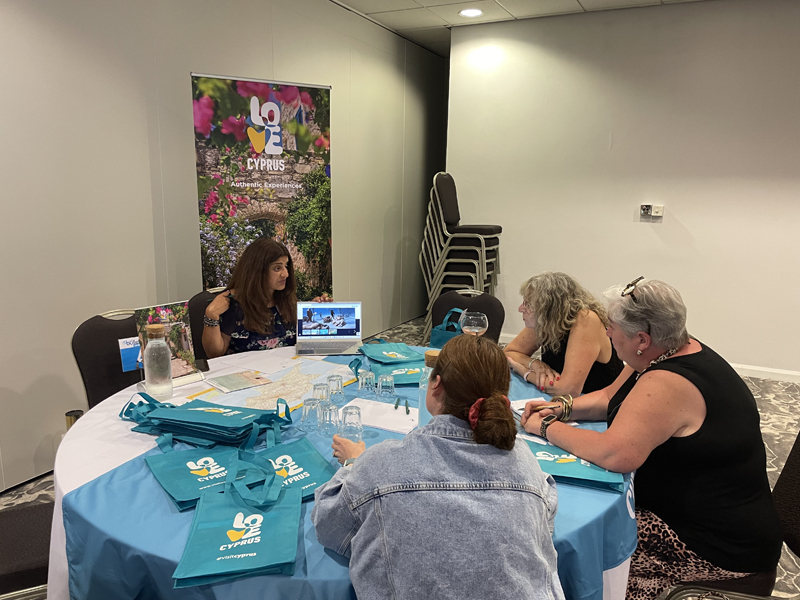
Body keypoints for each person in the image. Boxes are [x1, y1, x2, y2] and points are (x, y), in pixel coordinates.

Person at [521, 278, 783, 599]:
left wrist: (545, 427)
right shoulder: (668, 350)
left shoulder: (667, 381)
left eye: (612, 327)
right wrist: (561, 408)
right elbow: (609, 397)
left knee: (572, 548)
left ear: (642, 339)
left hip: (714, 544)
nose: (607, 332)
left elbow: (615, 454)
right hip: (709, 519)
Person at [312, 335, 565, 600]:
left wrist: (354, 463)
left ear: (436, 384)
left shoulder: (381, 464)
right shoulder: (524, 461)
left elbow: (329, 525)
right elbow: (544, 520)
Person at [202, 238, 330, 357]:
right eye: (277, 268)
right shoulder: (233, 303)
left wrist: (311, 313)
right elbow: (215, 354)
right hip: (249, 371)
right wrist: (211, 315)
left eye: (286, 266)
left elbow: (304, 344)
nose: (285, 274)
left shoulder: (285, 298)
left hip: (287, 368)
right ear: (257, 271)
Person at [505, 271, 623, 395]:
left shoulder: (586, 319)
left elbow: (567, 390)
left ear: (548, 308)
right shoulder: (545, 321)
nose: (520, 309)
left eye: (528, 304)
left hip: (602, 400)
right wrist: (533, 363)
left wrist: (524, 372)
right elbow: (509, 352)